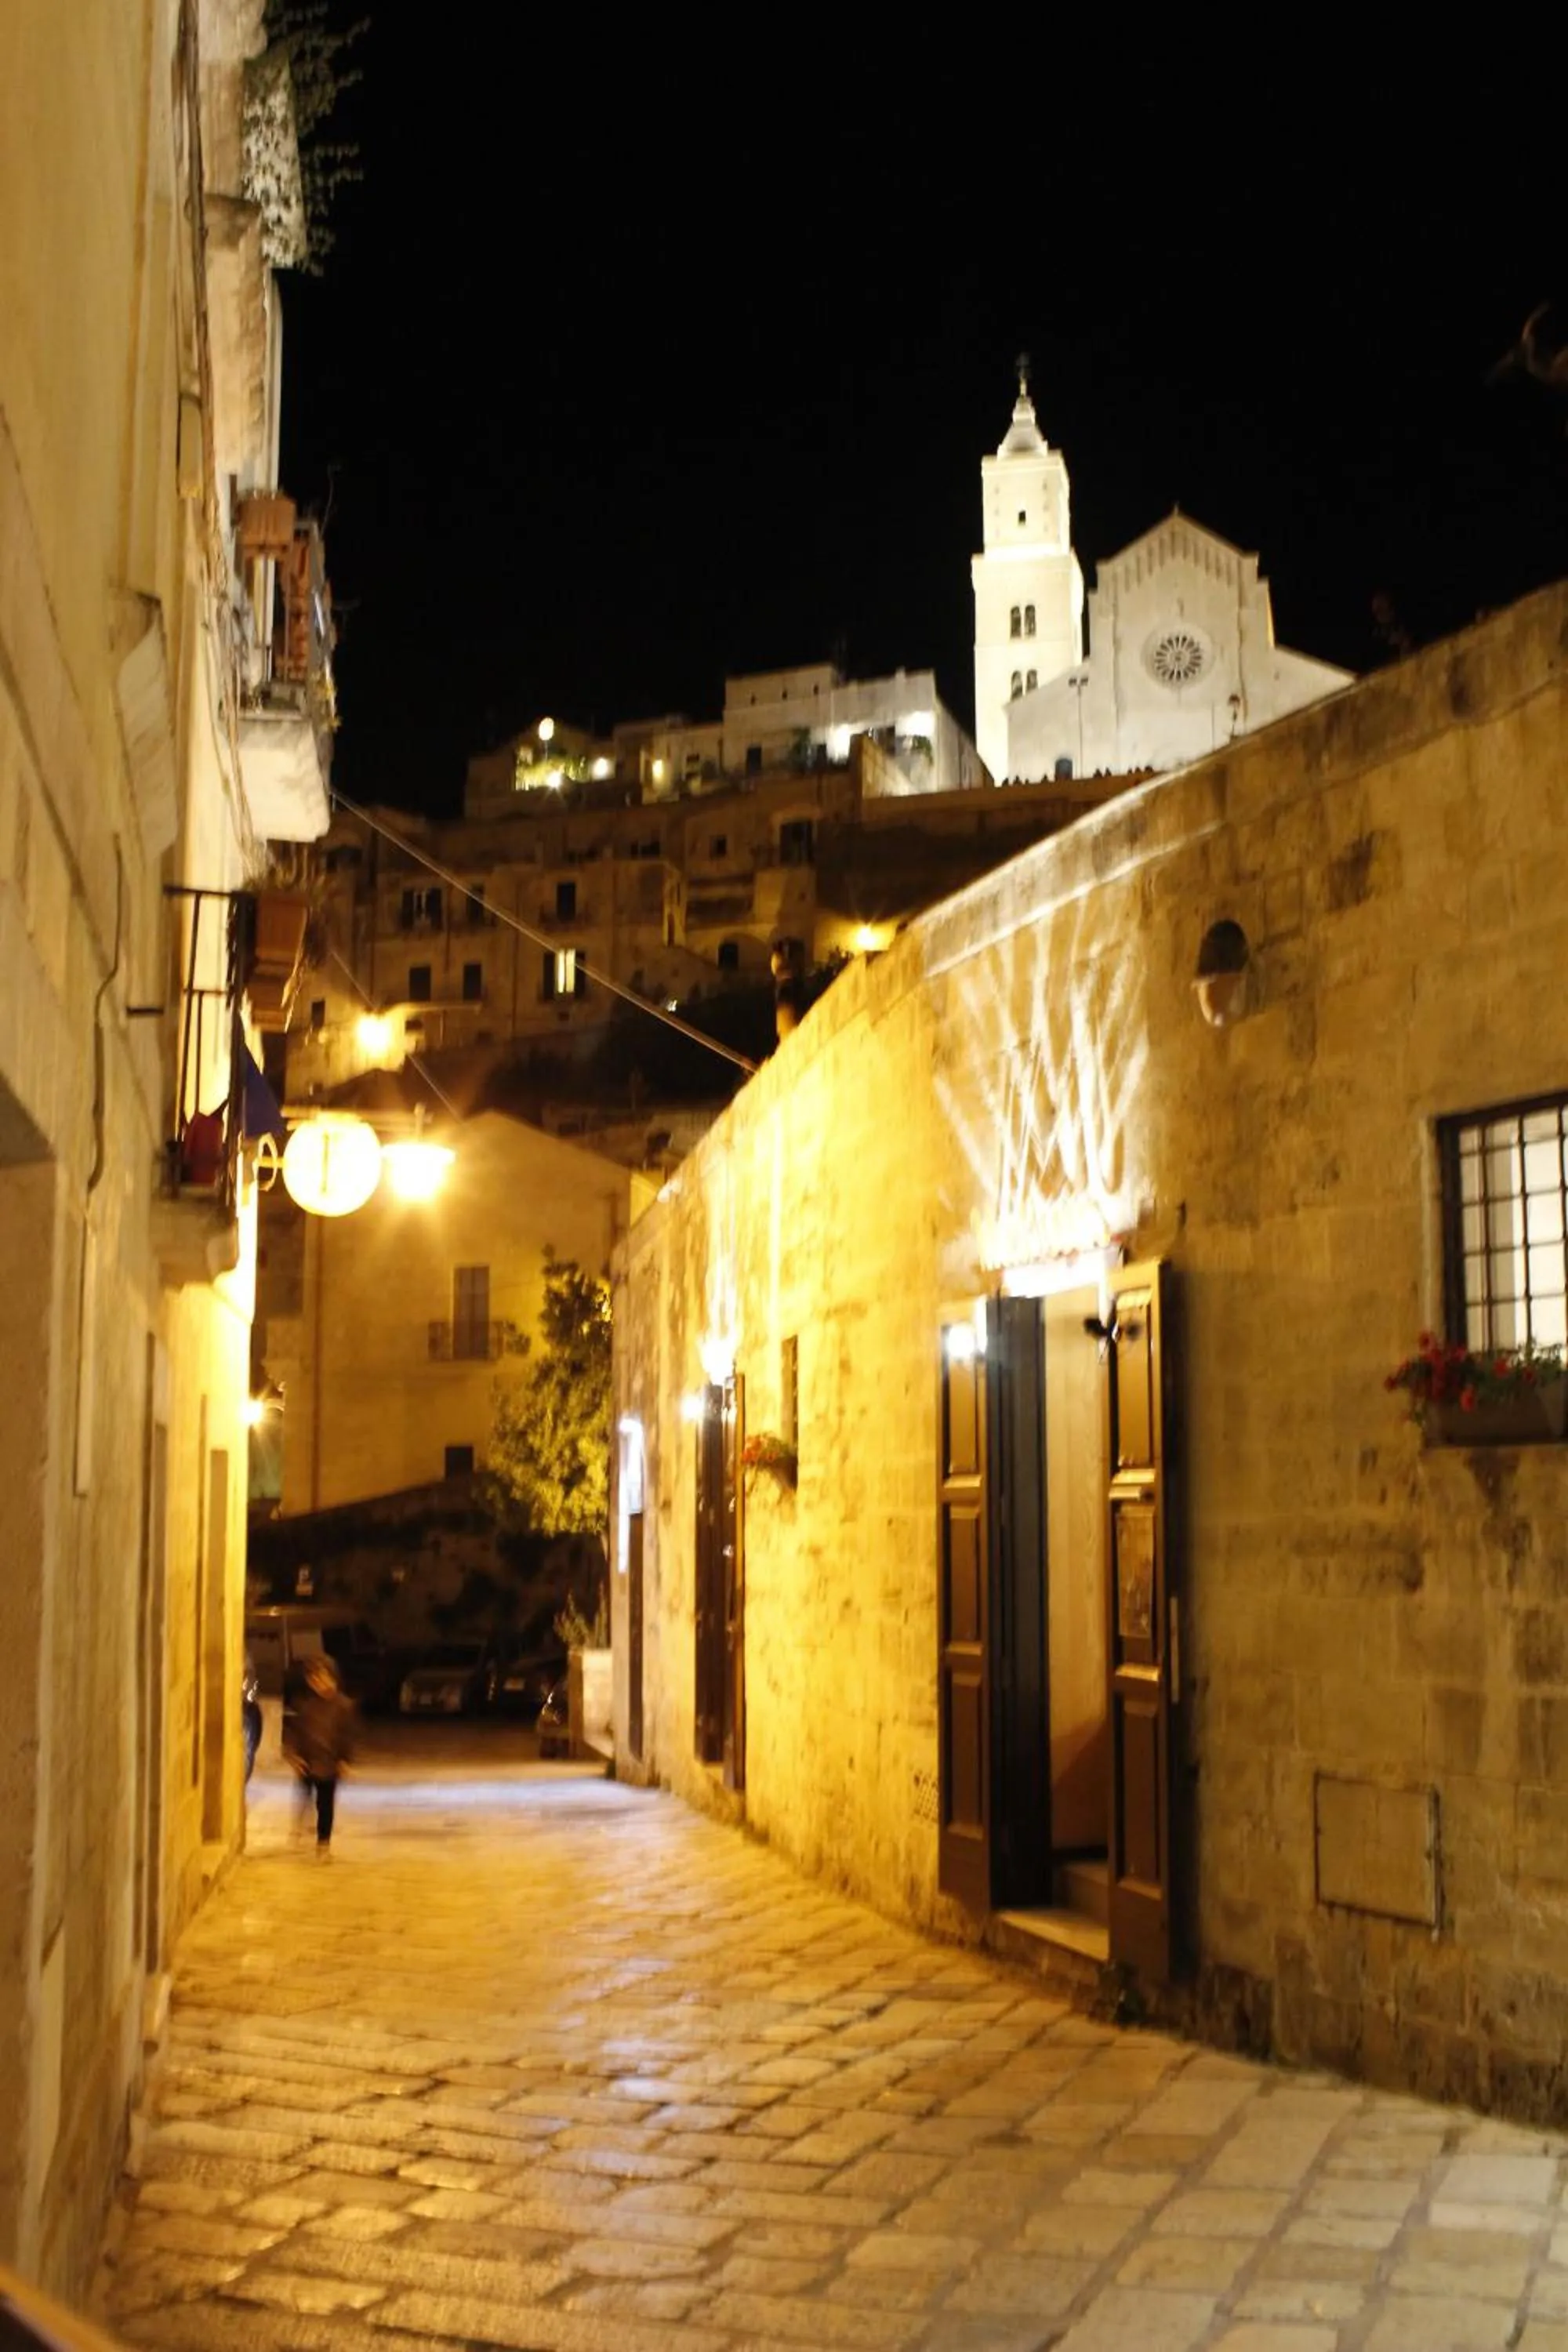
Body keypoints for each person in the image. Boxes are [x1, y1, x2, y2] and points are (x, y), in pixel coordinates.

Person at [282, 1653, 357, 1857]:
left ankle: (323, 1842)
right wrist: (293, 1756)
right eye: (313, 1679)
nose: (318, 1682)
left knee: (325, 1804)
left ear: (332, 1677)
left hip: (329, 1763)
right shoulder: (304, 1704)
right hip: (307, 1761)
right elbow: (294, 1731)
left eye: (322, 1677)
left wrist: (345, 1760)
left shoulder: (344, 1706)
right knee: (303, 1796)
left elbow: (347, 1735)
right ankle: (301, 1829)